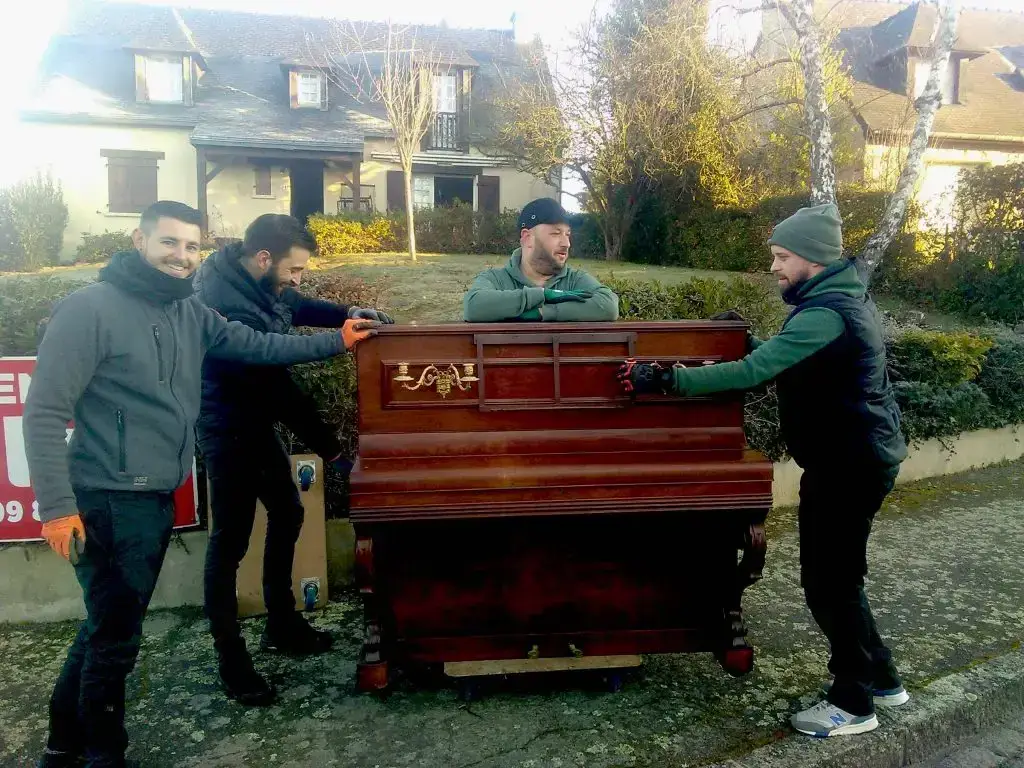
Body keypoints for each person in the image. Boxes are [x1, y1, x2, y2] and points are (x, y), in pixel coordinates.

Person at [24, 201, 378, 768]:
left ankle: (63, 745)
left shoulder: (188, 308)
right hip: (108, 496)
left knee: (105, 627)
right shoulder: (89, 308)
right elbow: (43, 411)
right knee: (115, 639)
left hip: (156, 488)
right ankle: (103, 754)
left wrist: (338, 339)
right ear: (140, 241)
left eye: (191, 246)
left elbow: (261, 347)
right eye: (169, 243)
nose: (181, 257)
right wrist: (57, 506)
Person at [618, 203, 909, 738]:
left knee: (830, 584)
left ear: (812, 259)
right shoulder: (835, 299)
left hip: (848, 463)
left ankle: (853, 702)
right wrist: (740, 342)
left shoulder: (827, 312)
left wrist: (669, 380)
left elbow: (757, 372)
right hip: (856, 455)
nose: (773, 266)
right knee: (842, 579)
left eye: (781, 257)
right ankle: (883, 678)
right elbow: (787, 360)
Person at [193, 213, 393, 706]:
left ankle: (281, 621)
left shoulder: (260, 282)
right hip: (227, 426)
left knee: (288, 511)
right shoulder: (221, 304)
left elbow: (297, 303)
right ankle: (231, 659)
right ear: (264, 258)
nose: (299, 278)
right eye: (295, 268)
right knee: (231, 541)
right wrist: (331, 448)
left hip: (256, 421)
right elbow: (275, 380)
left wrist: (351, 311)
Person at [463, 198, 618, 322]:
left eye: (568, 234)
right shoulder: (496, 279)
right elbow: (474, 306)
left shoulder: (575, 279)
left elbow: (608, 305)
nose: (566, 243)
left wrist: (543, 312)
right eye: (556, 233)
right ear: (527, 237)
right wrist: (544, 295)